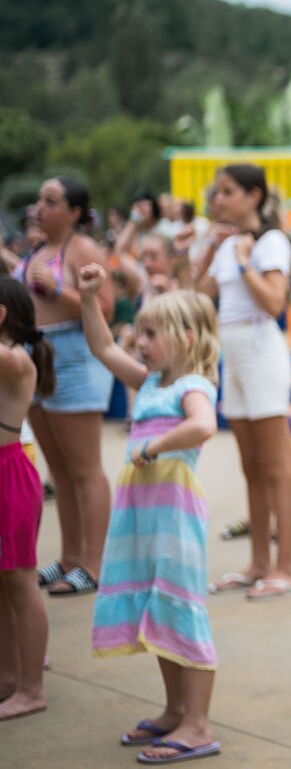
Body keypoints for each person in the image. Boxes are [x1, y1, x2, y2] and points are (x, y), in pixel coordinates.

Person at [77, 264, 223, 763]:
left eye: (150, 333)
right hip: (142, 513)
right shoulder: (152, 382)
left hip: (175, 513)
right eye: (139, 332)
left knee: (181, 606)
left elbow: (203, 427)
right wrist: (89, 297)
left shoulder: (192, 386)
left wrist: (157, 445)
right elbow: (101, 348)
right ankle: (175, 708)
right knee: (156, 607)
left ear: (183, 337)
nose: (138, 342)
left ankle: (198, 724)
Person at [194, 164, 291, 600]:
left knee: (277, 466)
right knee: (251, 467)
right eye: (217, 193)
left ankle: (285, 566)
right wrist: (207, 251)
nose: (218, 200)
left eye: (228, 192)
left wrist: (243, 262)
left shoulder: (270, 241)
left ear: (254, 195)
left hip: (261, 351)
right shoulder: (226, 244)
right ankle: (258, 561)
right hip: (231, 357)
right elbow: (199, 296)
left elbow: (275, 302)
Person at [16, 176, 114, 597]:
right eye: (40, 200)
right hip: (36, 356)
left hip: (73, 356)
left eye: (51, 201)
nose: (41, 207)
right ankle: (70, 556)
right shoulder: (38, 249)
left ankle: (94, 562)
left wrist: (59, 289)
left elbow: (105, 305)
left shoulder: (83, 249)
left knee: (84, 468)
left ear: (75, 212)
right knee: (60, 470)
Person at [0, 279, 53, 721]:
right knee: (3, 586)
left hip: (9, 476)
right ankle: (8, 677)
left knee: (20, 583)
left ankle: (31, 688)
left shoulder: (16, 360)